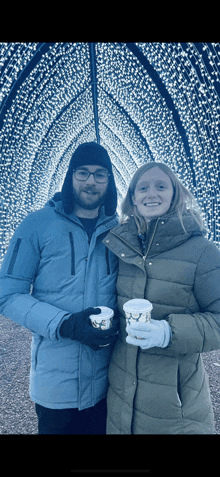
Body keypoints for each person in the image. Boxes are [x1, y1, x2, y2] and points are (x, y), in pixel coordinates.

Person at [0, 142, 119, 435]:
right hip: (56, 390)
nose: (91, 181)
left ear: (109, 182)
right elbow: (7, 294)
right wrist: (65, 324)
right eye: (83, 172)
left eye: (100, 174)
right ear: (70, 176)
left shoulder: (120, 231)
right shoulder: (36, 225)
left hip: (108, 385)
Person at [103, 162, 220, 434]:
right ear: (132, 198)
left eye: (160, 186)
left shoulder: (201, 251)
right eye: (142, 188)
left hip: (176, 408)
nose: (151, 194)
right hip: (121, 398)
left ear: (174, 194)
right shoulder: (120, 248)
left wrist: (170, 332)